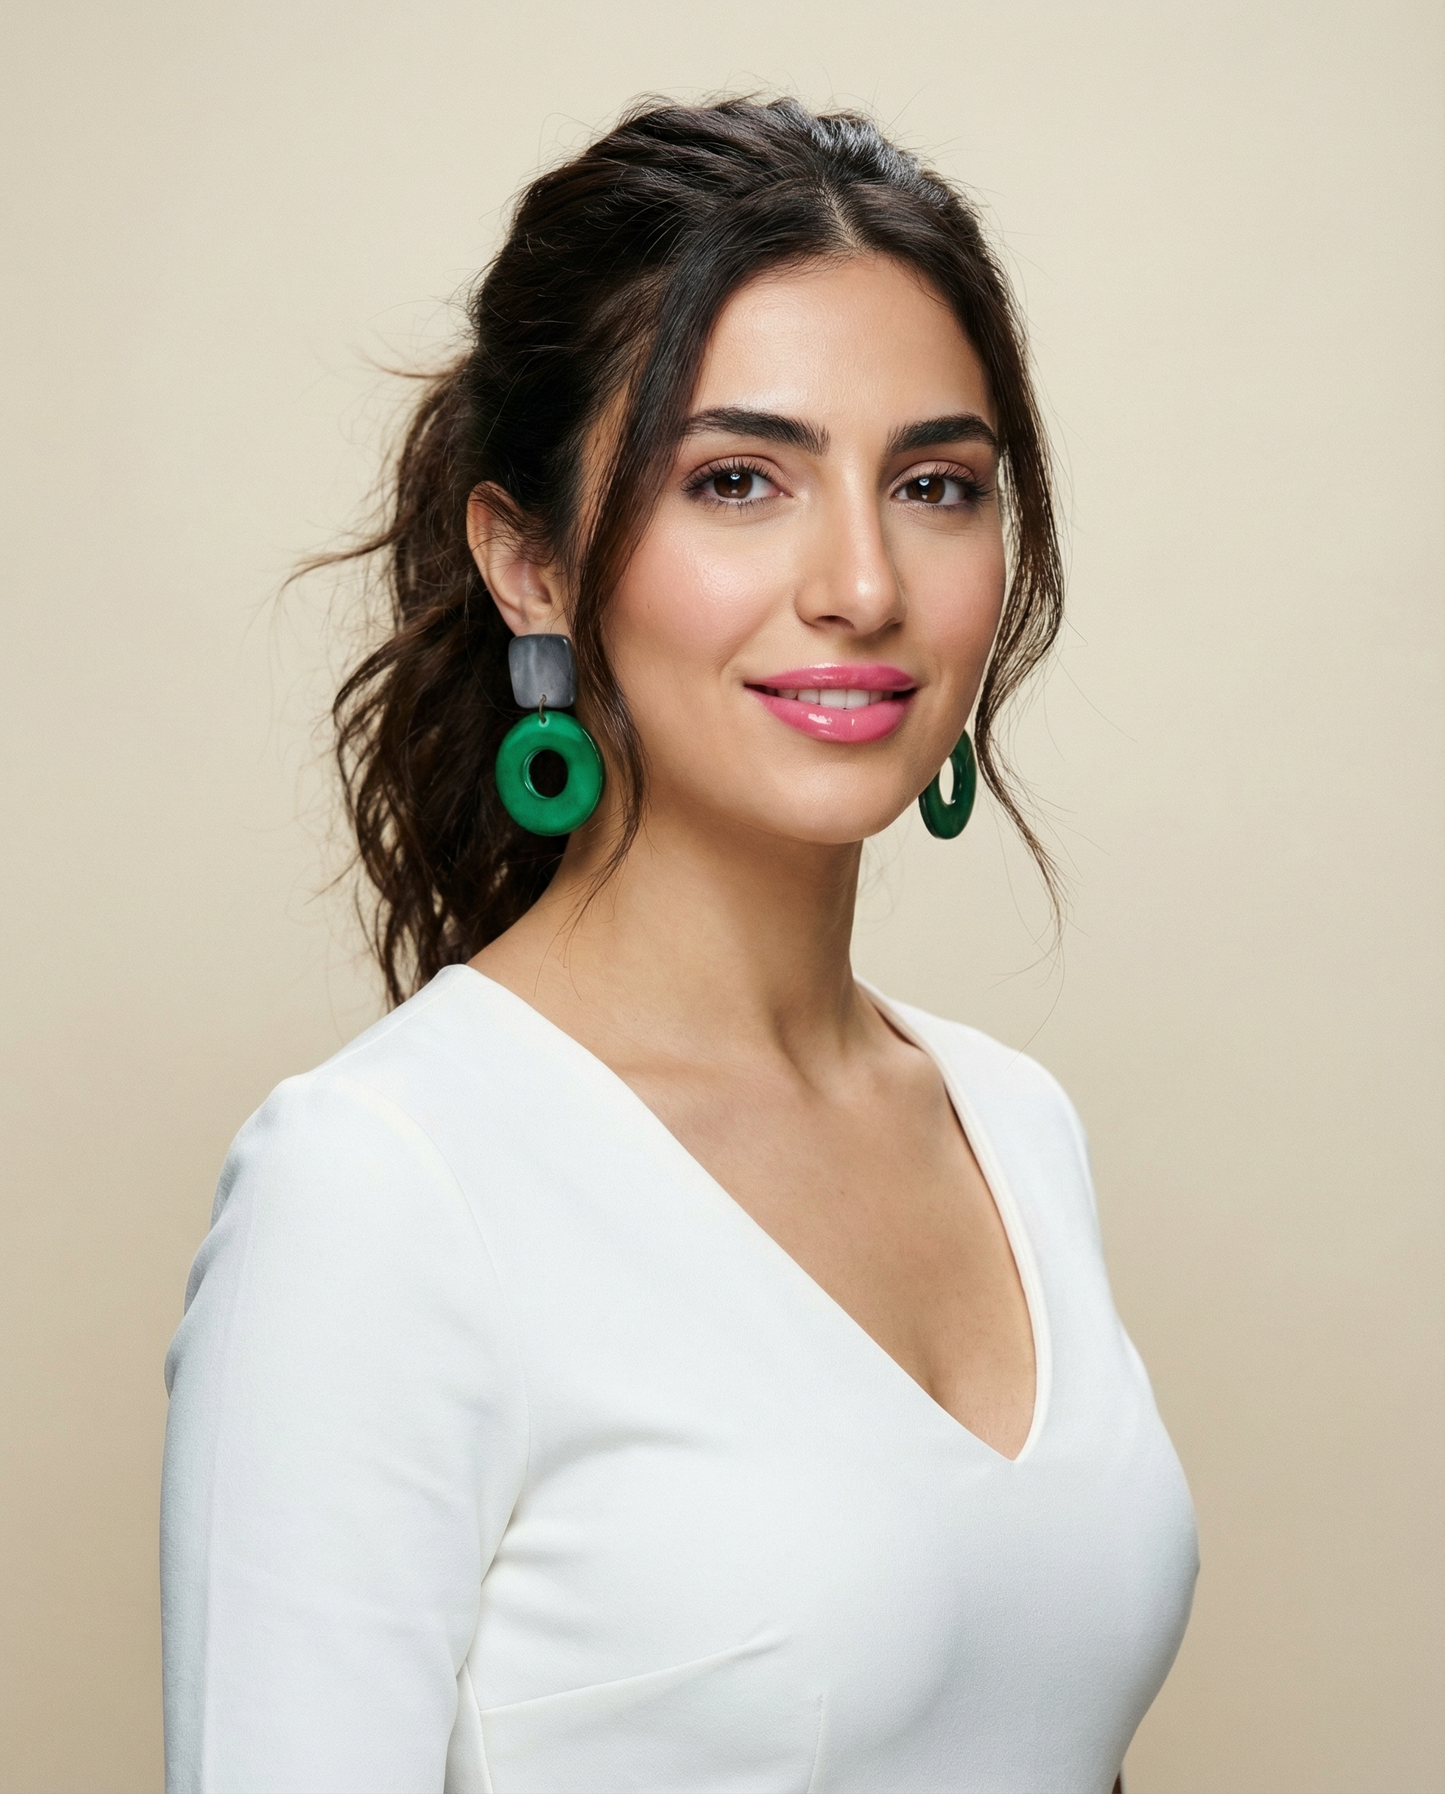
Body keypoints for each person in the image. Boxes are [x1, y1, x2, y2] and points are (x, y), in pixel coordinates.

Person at [160, 97, 1197, 1794]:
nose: (861, 580)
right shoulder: (382, 1187)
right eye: (738, 479)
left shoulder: (1015, 1126)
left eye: (936, 484)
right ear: (532, 559)